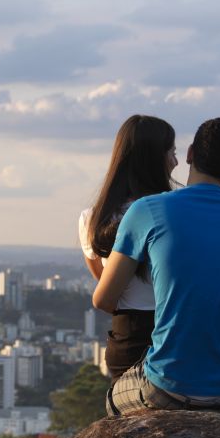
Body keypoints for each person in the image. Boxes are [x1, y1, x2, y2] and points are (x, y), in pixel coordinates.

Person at [93, 117, 220, 416]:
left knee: (113, 400)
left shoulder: (146, 210)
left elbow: (104, 299)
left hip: (169, 388)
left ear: (189, 154)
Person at [78, 114, 178, 380]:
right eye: (171, 152)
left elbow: (107, 290)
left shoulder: (93, 219)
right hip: (175, 338)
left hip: (126, 342)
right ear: (153, 159)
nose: (176, 162)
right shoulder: (177, 214)